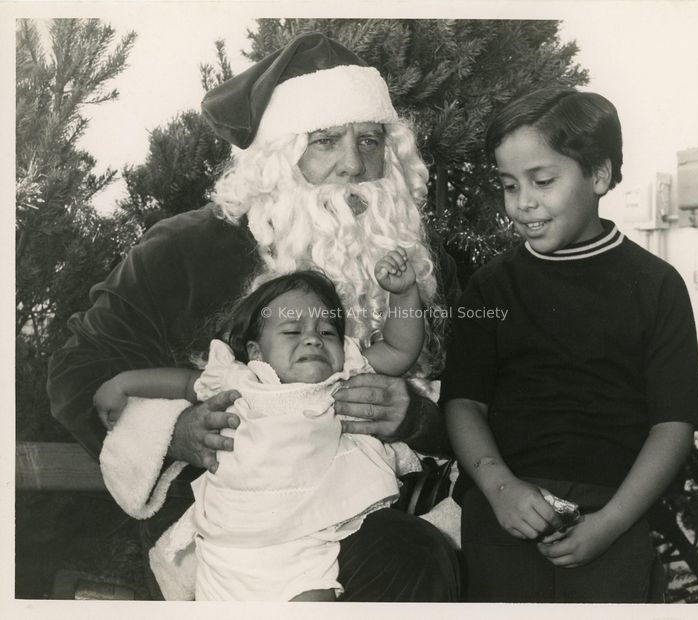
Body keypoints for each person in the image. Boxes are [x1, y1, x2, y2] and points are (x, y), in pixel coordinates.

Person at [47, 32, 460, 601]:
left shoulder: (421, 264)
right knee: (404, 560)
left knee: (415, 553)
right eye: (325, 142)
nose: (354, 165)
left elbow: (479, 400)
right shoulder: (185, 249)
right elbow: (78, 374)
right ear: (278, 154)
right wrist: (172, 432)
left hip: (376, 506)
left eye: (370, 141)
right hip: (227, 532)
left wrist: (414, 417)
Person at [441, 87, 698, 603]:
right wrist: (499, 490)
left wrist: (614, 522)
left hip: (614, 511)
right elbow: (462, 402)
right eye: (508, 185)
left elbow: (672, 424)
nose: (523, 203)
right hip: (505, 508)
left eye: (542, 181)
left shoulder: (656, 286)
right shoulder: (489, 287)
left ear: (599, 175)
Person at [95, 265, 424, 601]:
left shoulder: (337, 381)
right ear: (255, 352)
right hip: (228, 550)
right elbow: (182, 383)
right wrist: (124, 383)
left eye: (327, 332)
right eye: (292, 331)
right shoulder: (240, 381)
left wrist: (403, 293)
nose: (313, 338)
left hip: (304, 542)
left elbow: (398, 350)